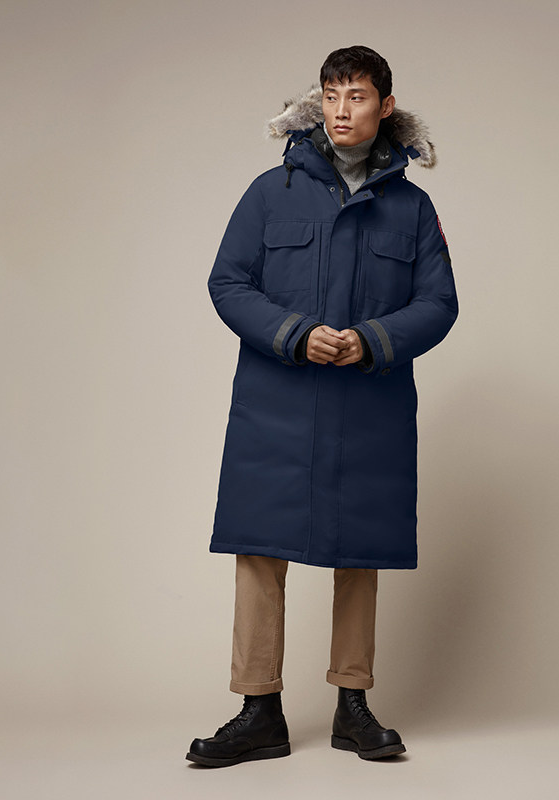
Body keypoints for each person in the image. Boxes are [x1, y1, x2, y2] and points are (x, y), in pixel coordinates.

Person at [186, 45, 458, 767]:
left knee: (359, 549)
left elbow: (439, 303)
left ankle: (353, 706)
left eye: (357, 96)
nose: (341, 110)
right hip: (276, 401)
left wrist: (371, 340)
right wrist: (294, 334)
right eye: (331, 95)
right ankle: (258, 710)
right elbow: (227, 282)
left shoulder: (412, 207)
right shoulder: (268, 193)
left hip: (368, 404)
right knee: (258, 546)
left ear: (385, 107)